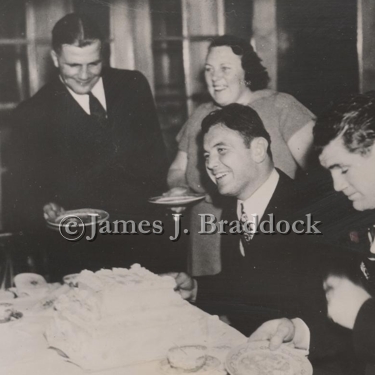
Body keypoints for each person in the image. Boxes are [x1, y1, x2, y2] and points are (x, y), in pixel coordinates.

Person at [171, 104, 352, 369]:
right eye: (207, 155)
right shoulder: (236, 208)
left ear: (258, 149)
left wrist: (296, 331)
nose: (210, 164)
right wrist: (198, 288)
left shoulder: (312, 212)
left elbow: (346, 321)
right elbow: (247, 285)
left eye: (221, 150)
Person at [6, 13, 169, 277]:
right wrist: (43, 204)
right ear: (55, 58)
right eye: (72, 65)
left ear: (104, 55)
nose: (84, 75)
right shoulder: (31, 113)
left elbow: (156, 161)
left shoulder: (133, 85)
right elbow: (23, 189)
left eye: (93, 64)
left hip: (144, 239)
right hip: (80, 252)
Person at [165, 35, 315, 276]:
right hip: (206, 234)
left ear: (248, 73)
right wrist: (179, 188)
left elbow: (319, 169)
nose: (215, 77)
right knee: (207, 301)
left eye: (225, 68)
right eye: (209, 69)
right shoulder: (201, 115)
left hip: (270, 231)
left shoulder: (280, 106)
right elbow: (177, 169)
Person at [250, 92, 375, 373]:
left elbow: (364, 322)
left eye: (343, 169)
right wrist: (298, 332)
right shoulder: (365, 222)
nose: (337, 185)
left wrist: (363, 316)